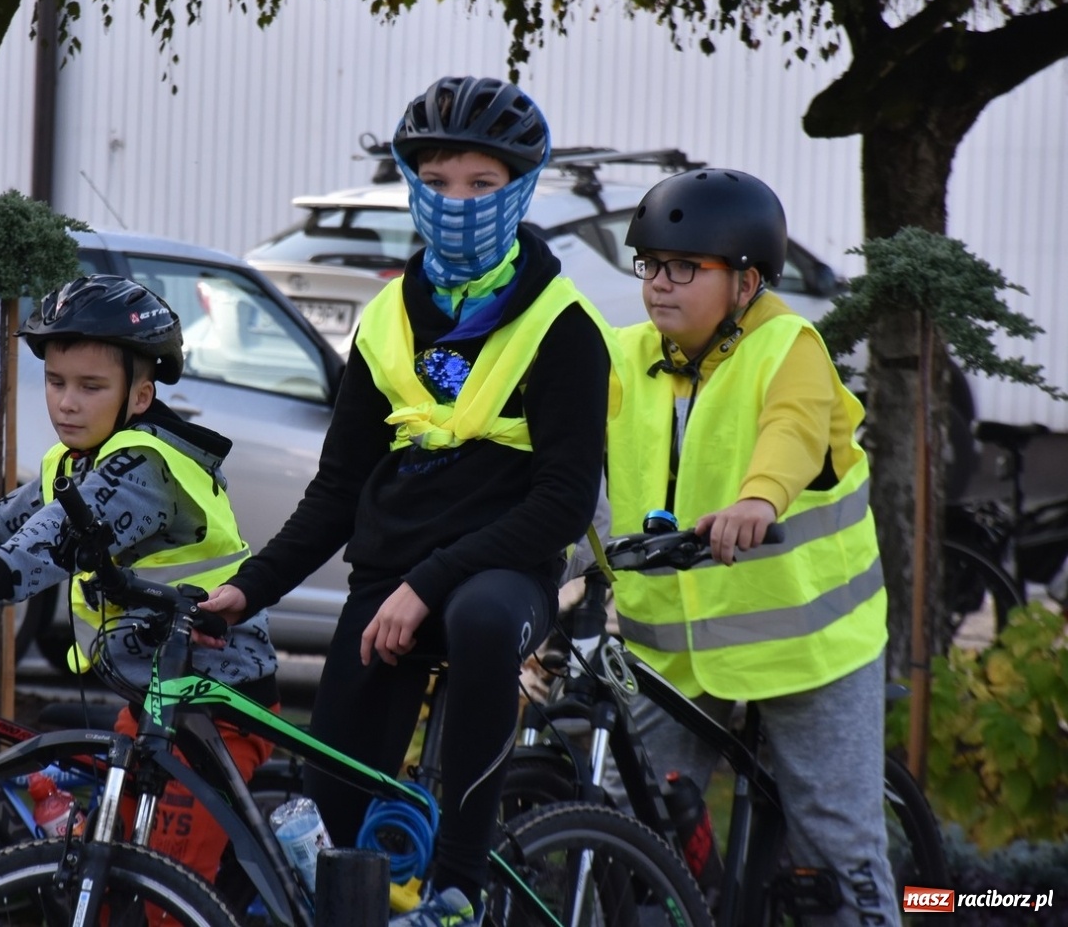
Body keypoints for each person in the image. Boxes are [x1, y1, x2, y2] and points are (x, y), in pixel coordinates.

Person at [204, 76, 613, 927]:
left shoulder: (564, 325)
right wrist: (250, 587)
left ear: (522, 189)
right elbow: (339, 488)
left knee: (482, 618)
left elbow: (565, 502)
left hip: (498, 575)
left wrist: (428, 581)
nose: (456, 202)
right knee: (323, 848)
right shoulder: (386, 316)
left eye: (481, 183)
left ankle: (458, 890)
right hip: (386, 578)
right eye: (436, 181)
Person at [0, 273, 279, 892]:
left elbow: (57, 534)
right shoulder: (76, 463)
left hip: (217, 708)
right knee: (104, 881)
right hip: (155, 701)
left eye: (91, 387)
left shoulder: (146, 467)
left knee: (166, 888)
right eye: (56, 382)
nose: (67, 403)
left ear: (140, 396)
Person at [608, 167, 893, 925]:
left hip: (808, 645)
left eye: (684, 267)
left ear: (746, 282)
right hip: (674, 649)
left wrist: (758, 500)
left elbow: (793, 429)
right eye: (650, 264)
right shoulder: (625, 356)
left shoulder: (789, 347)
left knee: (836, 847)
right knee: (626, 824)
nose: (659, 283)